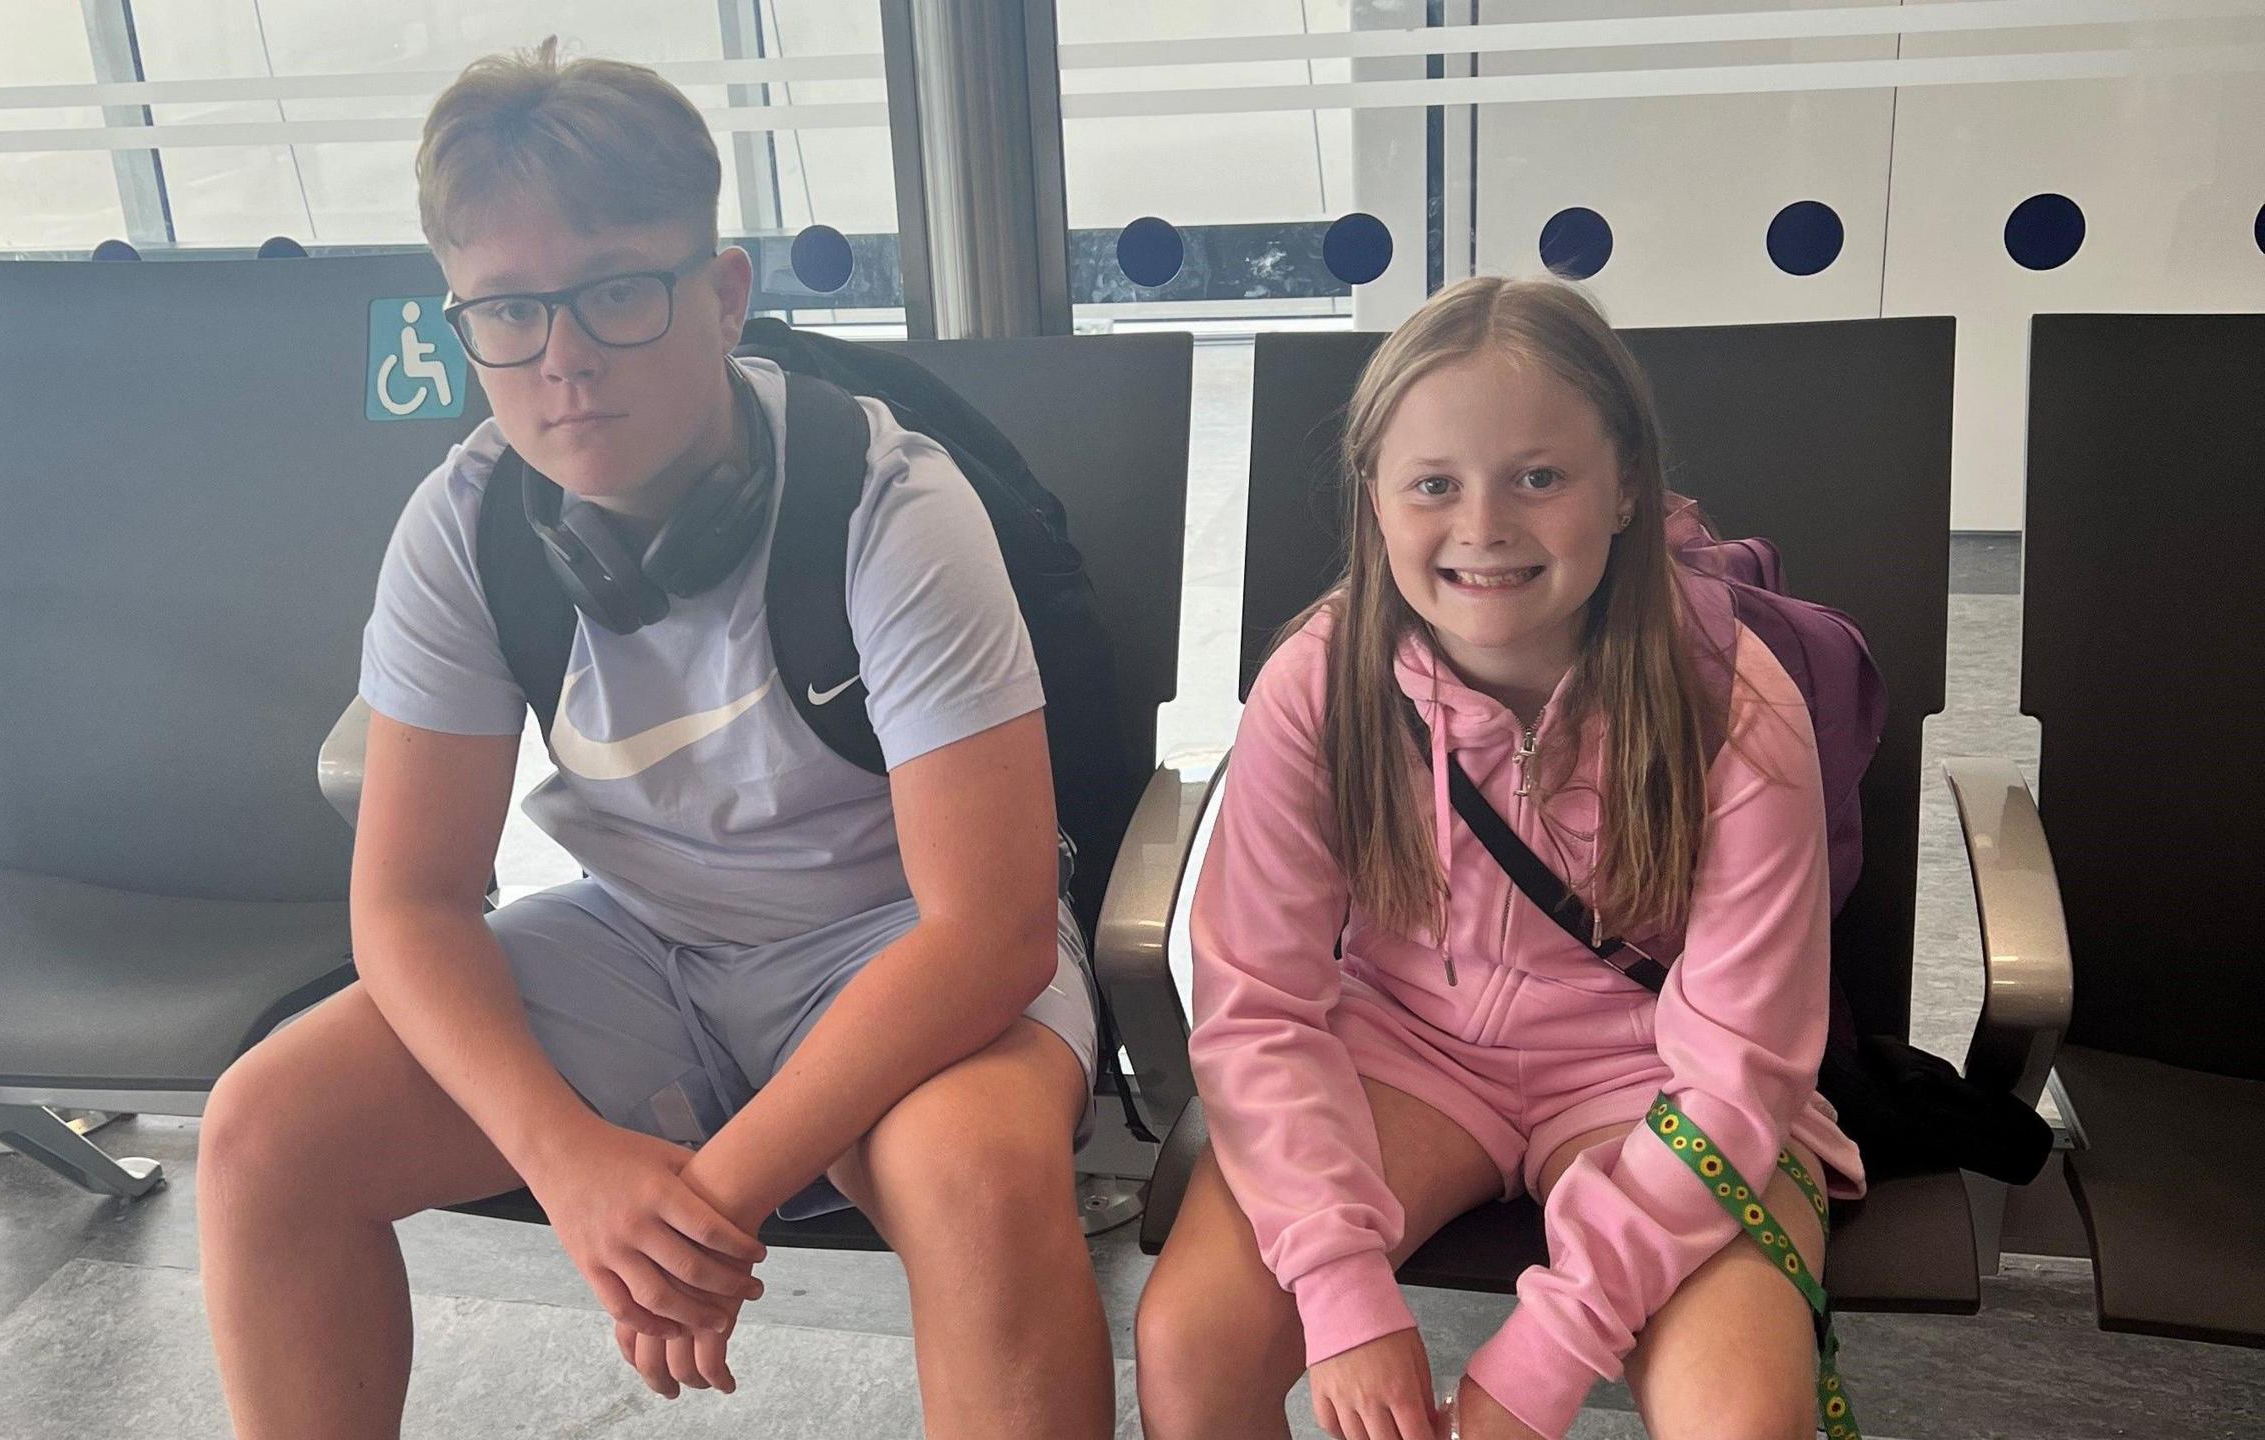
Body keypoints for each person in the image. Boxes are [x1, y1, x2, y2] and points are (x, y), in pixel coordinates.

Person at [196, 43, 1109, 1440]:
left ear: (724, 292)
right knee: (265, 1135)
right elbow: (407, 900)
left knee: (980, 1181)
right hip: (640, 945)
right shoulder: (465, 526)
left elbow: (985, 931)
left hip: (892, 948)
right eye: (507, 310)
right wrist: (570, 1166)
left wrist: (705, 1199)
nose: (563, 361)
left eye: (617, 291)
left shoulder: (888, 507)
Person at [1135, 275, 1864, 1440]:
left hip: (1660, 1079)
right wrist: (1342, 1294)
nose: (1481, 529)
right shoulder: (1321, 684)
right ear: (1373, 497)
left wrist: (1547, 1352)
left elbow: (1738, 1067)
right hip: (1407, 1052)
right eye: (1433, 485)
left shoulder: (1733, 700)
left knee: (1743, 1420)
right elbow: (1259, 1002)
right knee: (1190, 1346)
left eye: (1538, 477)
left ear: (1625, 484)